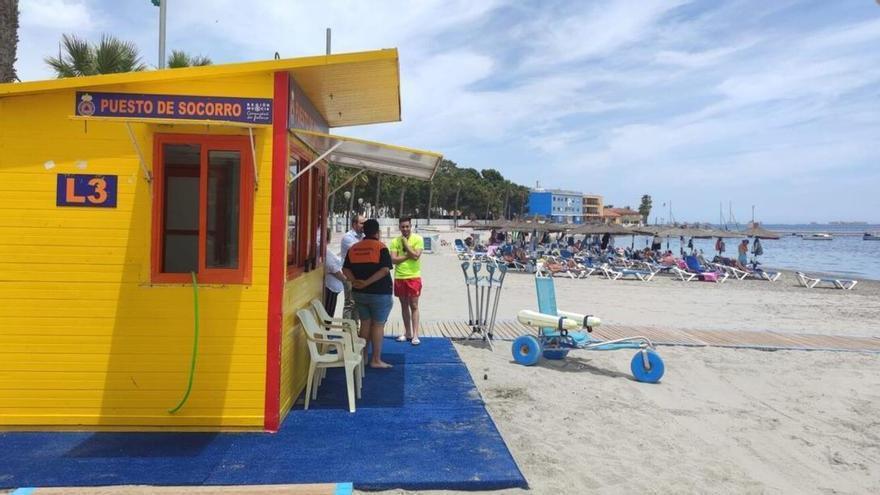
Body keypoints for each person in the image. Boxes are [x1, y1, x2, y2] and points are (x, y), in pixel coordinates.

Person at [343, 219, 393, 369]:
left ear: (364, 231)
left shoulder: (354, 248)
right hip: (379, 293)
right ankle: (376, 359)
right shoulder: (381, 247)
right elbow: (384, 270)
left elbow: (345, 269)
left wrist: (355, 281)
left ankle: (363, 357)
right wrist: (368, 282)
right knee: (378, 325)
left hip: (359, 293)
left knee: (365, 322)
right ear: (377, 232)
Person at [390, 217, 424, 345]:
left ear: (411, 226)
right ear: (399, 227)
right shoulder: (394, 241)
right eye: (403, 226)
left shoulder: (418, 239)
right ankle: (408, 332)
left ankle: (415, 335)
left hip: (413, 276)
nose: (405, 229)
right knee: (404, 306)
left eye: (407, 226)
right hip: (399, 276)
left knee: (414, 306)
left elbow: (416, 256)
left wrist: (405, 245)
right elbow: (393, 260)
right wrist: (408, 254)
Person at [340, 215, 365, 321]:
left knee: (358, 303)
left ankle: (355, 329)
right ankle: (347, 330)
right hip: (349, 274)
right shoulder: (348, 237)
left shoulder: (363, 236)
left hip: (359, 274)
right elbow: (359, 251)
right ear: (354, 224)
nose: (364, 226)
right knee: (350, 303)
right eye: (362, 223)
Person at [323, 231, 346, 317]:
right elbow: (333, 269)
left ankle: (327, 328)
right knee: (328, 313)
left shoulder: (326, 251)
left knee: (330, 311)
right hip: (330, 288)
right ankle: (326, 329)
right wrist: (346, 280)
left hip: (333, 288)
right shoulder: (325, 252)